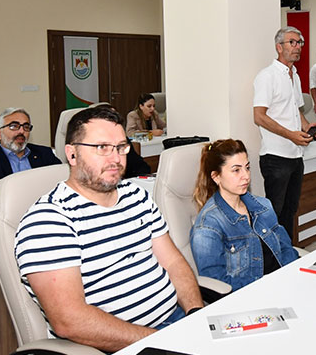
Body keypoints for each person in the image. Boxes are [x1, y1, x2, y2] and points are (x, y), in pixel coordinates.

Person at [15, 107, 203, 352]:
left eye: (121, 147)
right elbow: (69, 321)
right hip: (117, 346)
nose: (116, 159)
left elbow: (173, 263)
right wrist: (161, 341)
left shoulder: (136, 196)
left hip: (174, 325)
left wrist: (195, 314)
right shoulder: (48, 221)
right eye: (102, 147)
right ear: (72, 154)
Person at [190, 139, 298, 291]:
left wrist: (290, 275)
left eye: (247, 168)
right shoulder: (208, 225)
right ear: (216, 177)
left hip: (283, 284)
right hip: (251, 294)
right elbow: (217, 282)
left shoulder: (263, 206)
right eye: (236, 170)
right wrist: (267, 285)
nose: (246, 176)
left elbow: (286, 248)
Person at [253, 26, 316, 237]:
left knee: (290, 211)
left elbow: (295, 109)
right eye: (292, 42)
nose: (297, 47)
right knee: (274, 215)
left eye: (300, 43)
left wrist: (306, 126)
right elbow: (259, 116)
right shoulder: (267, 76)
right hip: (276, 156)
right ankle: (271, 257)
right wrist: (290, 135)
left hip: (296, 155)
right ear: (279, 47)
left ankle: (287, 251)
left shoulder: (295, 75)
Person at [0, 107, 60, 209]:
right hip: (0, 212)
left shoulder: (44, 154)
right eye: (14, 126)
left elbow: (63, 182)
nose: (21, 131)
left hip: (43, 209)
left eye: (26, 127)